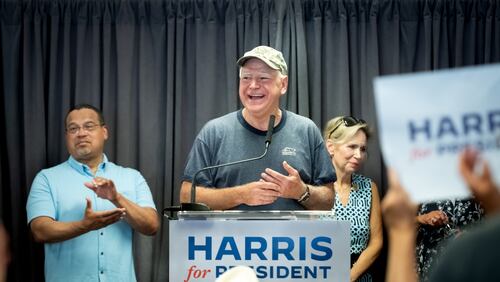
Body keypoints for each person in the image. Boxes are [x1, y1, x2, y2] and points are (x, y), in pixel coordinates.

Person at [180, 45, 336, 210]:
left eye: (263, 78)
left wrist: (301, 192)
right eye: (246, 78)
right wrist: (240, 195)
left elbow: (329, 201)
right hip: (229, 236)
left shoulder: (306, 130)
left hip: (292, 236)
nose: (253, 85)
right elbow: (186, 196)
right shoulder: (214, 132)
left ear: (283, 84)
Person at [26, 104, 159, 282]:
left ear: (104, 132)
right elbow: (39, 231)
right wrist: (85, 225)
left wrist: (116, 198)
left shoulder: (132, 177)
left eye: (89, 126)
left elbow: (151, 226)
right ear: (67, 136)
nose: (81, 133)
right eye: (73, 128)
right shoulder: (46, 178)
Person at [383, 149, 500, 282]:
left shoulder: (479, 179)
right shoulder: (422, 181)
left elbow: (492, 224)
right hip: (430, 260)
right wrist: (423, 219)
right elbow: (404, 217)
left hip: (472, 258)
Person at [321, 116, 383, 281]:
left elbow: (376, 242)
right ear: (331, 147)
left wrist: (350, 276)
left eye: (362, 149)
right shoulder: (314, 190)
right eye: (352, 147)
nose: (359, 155)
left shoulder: (369, 187)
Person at [415, 198, 483, 281]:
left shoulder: (479, 186)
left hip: (469, 258)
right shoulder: (421, 188)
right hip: (432, 260)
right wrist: (424, 218)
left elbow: (494, 220)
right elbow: (401, 221)